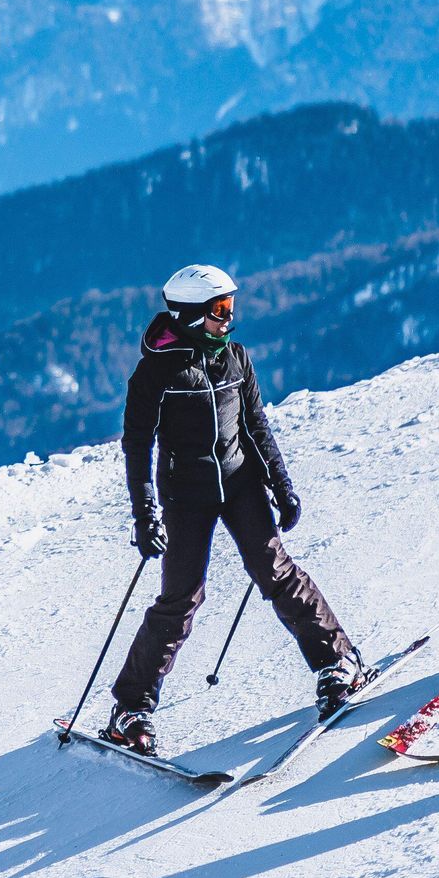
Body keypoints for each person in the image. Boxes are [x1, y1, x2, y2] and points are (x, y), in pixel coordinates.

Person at [105, 263, 364, 754]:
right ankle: (130, 708)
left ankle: (338, 661)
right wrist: (145, 514)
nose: (230, 319)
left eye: (232, 307)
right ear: (188, 315)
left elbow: (255, 425)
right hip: (186, 491)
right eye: (220, 310)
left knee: (275, 570)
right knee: (181, 598)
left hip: (240, 481)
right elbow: (137, 446)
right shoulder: (155, 373)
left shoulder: (236, 358)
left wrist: (281, 486)